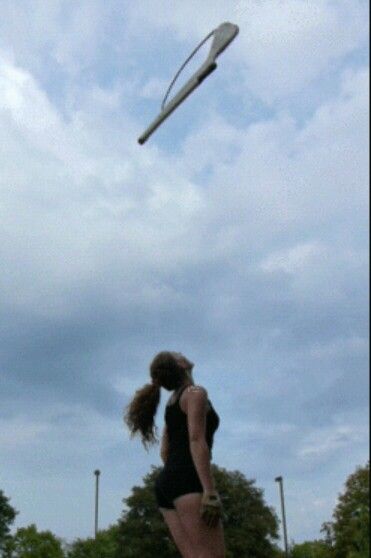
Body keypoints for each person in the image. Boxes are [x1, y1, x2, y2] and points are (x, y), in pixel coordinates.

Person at [125, 351, 225, 558]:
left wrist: (174, 475)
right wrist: (209, 490)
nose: (181, 353)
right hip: (188, 480)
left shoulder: (173, 401)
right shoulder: (196, 393)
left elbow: (165, 452)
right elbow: (197, 441)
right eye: (177, 354)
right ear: (180, 365)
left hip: (166, 484)